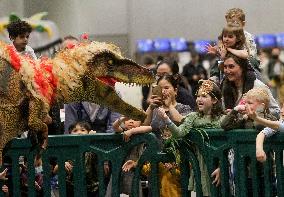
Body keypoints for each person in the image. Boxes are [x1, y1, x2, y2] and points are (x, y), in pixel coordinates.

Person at [156, 80, 225, 196]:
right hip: (199, 163)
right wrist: (167, 120)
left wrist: (222, 167)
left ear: (214, 100)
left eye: (204, 96)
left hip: (219, 165)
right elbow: (179, 133)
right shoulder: (193, 117)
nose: (199, 99)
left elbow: (229, 147)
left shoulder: (223, 120)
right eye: (197, 96)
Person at [221, 53, 280, 118]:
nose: (227, 71)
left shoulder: (258, 86)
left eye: (231, 66)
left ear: (242, 68)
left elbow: (276, 112)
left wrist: (254, 113)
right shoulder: (225, 87)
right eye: (225, 67)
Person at [54, 121, 99, 197]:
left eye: (83, 130)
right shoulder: (66, 149)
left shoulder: (93, 147)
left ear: (89, 132)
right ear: (70, 134)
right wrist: (62, 164)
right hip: (71, 189)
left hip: (91, 189)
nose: (79, 132)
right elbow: (55, 170)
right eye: (75, 130)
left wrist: (92, 139)